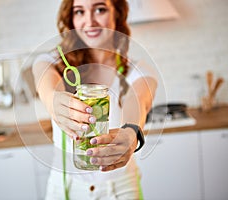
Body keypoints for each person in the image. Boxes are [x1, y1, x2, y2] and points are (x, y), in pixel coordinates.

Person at [32, 0, 157, 199]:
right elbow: (46, 86)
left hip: (120, 188)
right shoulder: (53, 62)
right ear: (71, 18)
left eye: (100, 9)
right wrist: (54, 102)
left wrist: (131, 132)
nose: (89, 21)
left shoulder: (137, 71)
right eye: (79, 11)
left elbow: (138, 101)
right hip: (63, 187)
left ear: (116, 13)